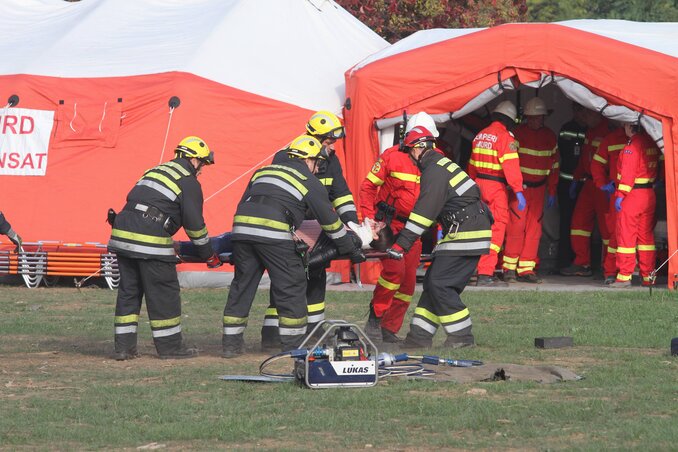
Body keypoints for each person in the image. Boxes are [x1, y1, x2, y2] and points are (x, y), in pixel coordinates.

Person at [222, 135, 364, 358]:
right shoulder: (307, 179)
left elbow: (244, 204)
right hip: (274, 234)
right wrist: (351, 247)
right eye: (317, 163)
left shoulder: (262, 171)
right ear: (308, 160)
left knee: (242, 286)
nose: (318, 169)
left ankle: (231, 345)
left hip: (241, 231)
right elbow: (330, 222)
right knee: (291, 284)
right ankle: (293, 345)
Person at [108, 136, 221, 360]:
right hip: (149, 237)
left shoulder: (155, 170)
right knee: (163, 292)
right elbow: (195, 225)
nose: (202, 170)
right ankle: (171, 348)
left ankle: (124, 348)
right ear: (193, 159)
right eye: (202, 164)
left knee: (129, 292)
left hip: (122, 235)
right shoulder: (187, 181)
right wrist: (209, 255)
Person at [385, 126, 492, 349]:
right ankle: (418, 337)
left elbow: (424, 213)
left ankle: (462, 336)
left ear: (417, 150)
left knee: (439, 284)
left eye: (408, 152)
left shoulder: (434, 171)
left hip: (466, 232)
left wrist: (400, 245)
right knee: (434, 282)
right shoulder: (441, 166)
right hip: (466, 228)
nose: (409, 159)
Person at [260, 111, 358, 350]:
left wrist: (353, 224)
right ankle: (272, 330)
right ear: (313, 136)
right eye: (328, 141)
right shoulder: (286, 157)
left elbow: (341, 194)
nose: (331, 146)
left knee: (317, 275)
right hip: (292, 228)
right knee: (285, 279)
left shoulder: (331, 160)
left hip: (317, 229)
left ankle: (315, 328)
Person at [359, 112, 437, 345]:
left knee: (408, 281)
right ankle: (375, 318)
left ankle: (389, 328)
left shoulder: (436, 160)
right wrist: (370, 220)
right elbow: (367, 188)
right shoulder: (391, 157)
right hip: (388, 225)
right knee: (394, 272)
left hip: (415, 227)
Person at [467, 100, 525, 286]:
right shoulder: (505, 138)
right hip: (496, 188)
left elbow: (472, 166)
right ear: (509, 120)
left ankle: (470, 270)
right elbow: (511, 168)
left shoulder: (480, 136)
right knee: (496, 229)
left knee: (477, 228)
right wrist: (518, 191)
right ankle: (485, 274)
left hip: (477, 185)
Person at [502, 97, 558, 283]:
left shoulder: (550, 136)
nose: (538, 120)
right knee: (516, 227)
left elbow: (554, 165)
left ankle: (527, 268)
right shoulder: (516, 134)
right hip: (521, 188)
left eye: (541, 117)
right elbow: (510, 163)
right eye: (534, 117)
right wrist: (515, 187)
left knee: (535, 229)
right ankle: (509, 268)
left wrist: (552, 190)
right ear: (527, 117)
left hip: (539, 189)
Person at [609, 121, 659, 288]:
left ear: (630, 126)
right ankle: (648, 277)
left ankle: (624, 276)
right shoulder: (651, 142)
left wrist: (620, 195)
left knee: (626, 235)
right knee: (646, 238)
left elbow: (628, 173)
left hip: (633, 195)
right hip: (649, 194)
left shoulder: (632, 145)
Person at [561, 110, 610, 277]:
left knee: (606, 226)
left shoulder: (608, 132)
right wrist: (576, 179)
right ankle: (582, 263)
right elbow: (584, 158)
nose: (584, 118)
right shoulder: (590, 131)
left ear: (597, 114)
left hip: (603, 185)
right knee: (578, 223)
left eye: (587, 115)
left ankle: (609, 265)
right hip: (589, 184)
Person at [590, 123, 628, 284]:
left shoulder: (643, 139)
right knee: (615, 233)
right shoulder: (611, 140)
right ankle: (611, 271)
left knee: (639, 235)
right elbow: (597, 163)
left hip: (639, 192)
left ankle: (634, 271)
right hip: (617, 192)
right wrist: (602, 183)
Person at [556, 103, 588, 268]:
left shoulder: (591, 130)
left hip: (585, 185)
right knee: (566, 222)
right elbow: (563, 152)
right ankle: (564, 260)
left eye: (583, 110)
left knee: (582, 225)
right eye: (577, 110)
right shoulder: (566, 128)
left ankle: (581, 260)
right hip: (566, 182)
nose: (581, 114)